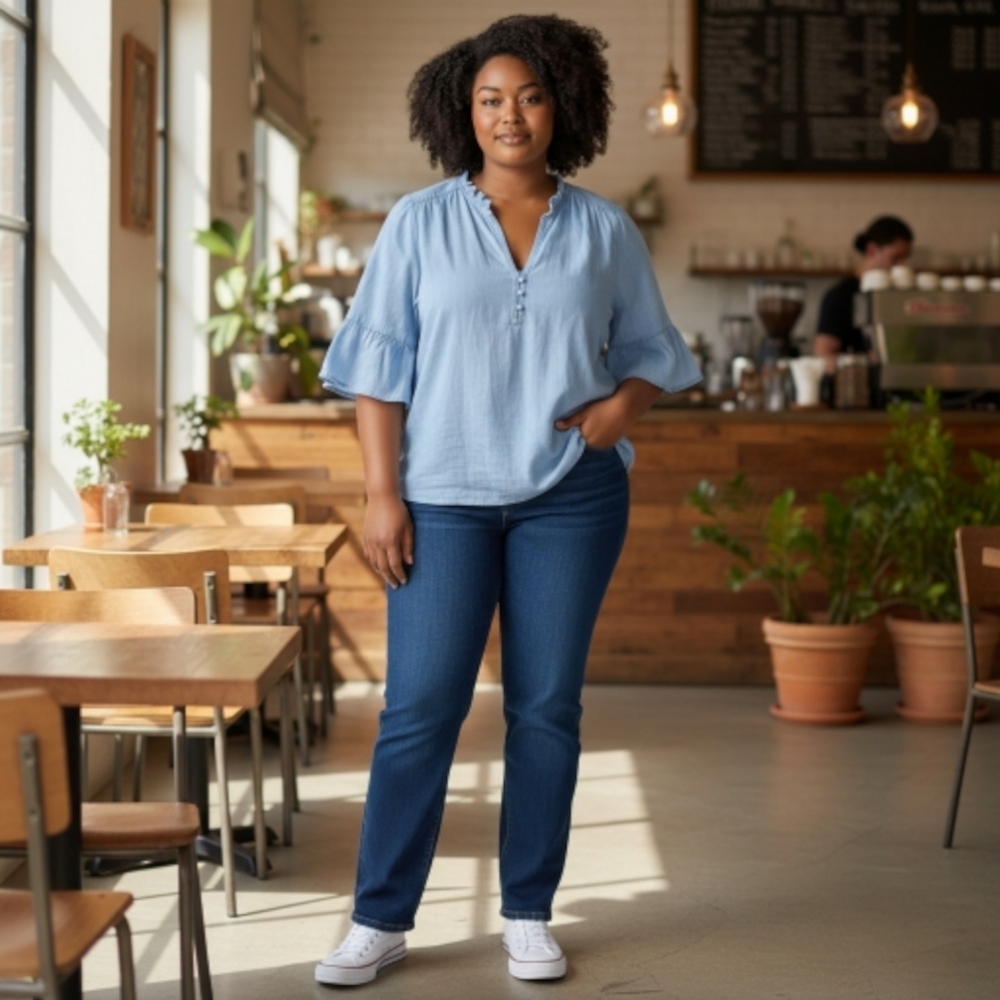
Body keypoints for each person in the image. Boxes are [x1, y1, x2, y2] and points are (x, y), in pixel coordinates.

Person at [313, 14, 700, 988]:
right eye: (490, 98)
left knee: (544, 710)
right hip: (438, 498)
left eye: (528, 95)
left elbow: (655, 352)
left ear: (560, 105)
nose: (509, 114)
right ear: (463, 112)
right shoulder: (417, 223)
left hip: (570, 498)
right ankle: (379, 916)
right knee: (420, 707)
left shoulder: (603, 229)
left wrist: (620, 407)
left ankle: (527, 909)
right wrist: (380, 497)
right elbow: (375, 371)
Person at [814, 216, 914, 372]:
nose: (902, 266)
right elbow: (823, 356)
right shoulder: (841, 296)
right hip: (854, 388)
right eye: (895, 258)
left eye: (905, 259)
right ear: (872, 250)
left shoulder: (900, 297)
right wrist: (869, 360)